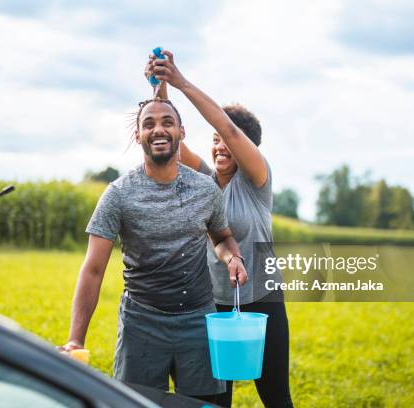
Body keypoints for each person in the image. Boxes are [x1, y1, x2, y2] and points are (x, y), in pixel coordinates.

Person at [58, 98, 248, 403]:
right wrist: (75, 340)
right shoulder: (118, 194)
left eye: (167, 122)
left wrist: (232, 257)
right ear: (138, 136)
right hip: (141, 323)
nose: (158, 129)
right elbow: (93, 270)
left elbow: (222, 237)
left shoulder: (205, 189)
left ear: (181, 132)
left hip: (198, 320)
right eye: (149, 124)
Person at [147, 50, 294, 407]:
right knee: (214, 399)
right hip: (212, 304)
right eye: (213, 139)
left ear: (246, 147)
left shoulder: (257, 180)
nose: (218, 145)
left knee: (275, 397)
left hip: (263, 301)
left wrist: (182, 82)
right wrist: (162, 87)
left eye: (226, 139)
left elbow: (229, 127)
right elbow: (170, 139)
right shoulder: (204, 180)